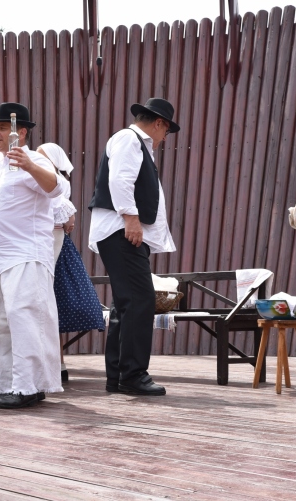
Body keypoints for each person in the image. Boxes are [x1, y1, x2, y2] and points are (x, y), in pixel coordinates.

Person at [88, 98, 179, 396]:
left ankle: (118, 376)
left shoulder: (133, 142)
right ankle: (133, 375)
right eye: (167, 131)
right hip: (121, 230)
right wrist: (131, 219)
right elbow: (121, 180)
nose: (165, 138)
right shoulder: (129, 139)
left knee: (126, 304)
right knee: (140, 301)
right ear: (159, 123)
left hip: (120, 231)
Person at [0, 102, 69, 409]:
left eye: (3, 127)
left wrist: (31, 165)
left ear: (21, 132)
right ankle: (9, 384)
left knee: (25, 319)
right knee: (1, 324)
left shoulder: (34, 159)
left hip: (25, 255)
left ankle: (27, 386)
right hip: (0, 258)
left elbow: (59, 188)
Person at [37, 143, 105, 383]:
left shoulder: (59, 190)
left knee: (57, 305)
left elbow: (67, 221)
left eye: (44, 156)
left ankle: (58, 361)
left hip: (57, 252)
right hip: (38, 250)